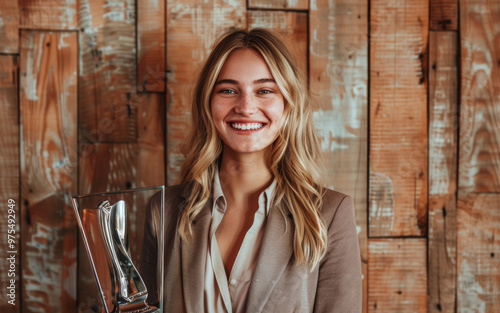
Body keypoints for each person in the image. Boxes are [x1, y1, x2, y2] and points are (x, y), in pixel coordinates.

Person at [140, 28, 362, 313]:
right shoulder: (164, 210)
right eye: (228, 90)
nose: (246, 107)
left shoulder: (330, 215)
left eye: (264, 91)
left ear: (288, 103)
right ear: (208, 103)